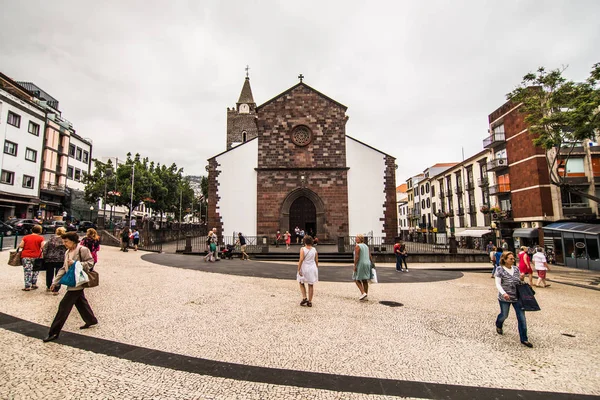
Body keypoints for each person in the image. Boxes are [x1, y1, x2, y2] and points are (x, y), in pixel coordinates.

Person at [44, 232, 98, 342]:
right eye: (64, 241)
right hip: (72, 281)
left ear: (73, 241)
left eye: (66, 241)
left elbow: (90, 263)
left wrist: (75, 263)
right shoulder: (67, 252)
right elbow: (63, 268)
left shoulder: (82, 250)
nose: (64, 244)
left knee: (64, 306)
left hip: (78, 281)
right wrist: (55, 282)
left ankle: (54, 332)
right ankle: (91, 320)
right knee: (80, 302)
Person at [494, 251, 532, 348]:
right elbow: (498, 284)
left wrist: (522, 278)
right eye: (511, 259)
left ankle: (524, 339)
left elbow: (518, 281)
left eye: (513, 258)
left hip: (517, 297)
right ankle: (499, 324)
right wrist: (504, 293)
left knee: (522, 318)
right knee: (504, 315)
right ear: (505, 260)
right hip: (504, 297)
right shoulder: (499, 269)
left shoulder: (516, 269)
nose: (513, 260)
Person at [18, 224, 46, 291]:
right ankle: (34, 284)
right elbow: (43, 247)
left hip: (26, 256)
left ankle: (27, 286)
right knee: (36, 270)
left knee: (27, 271)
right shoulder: (41, 238)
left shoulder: (26, 237)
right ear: (40, 231)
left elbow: (21, 246)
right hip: (36, 256)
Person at [43, 227, 67, 295]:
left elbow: (45, 248)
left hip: (50, 258)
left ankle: (49, 286)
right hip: (61, 259)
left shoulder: (51, 239)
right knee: (59, 274)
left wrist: (45, 256)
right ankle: (56, 289)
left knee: (49, 273)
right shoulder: (65, 240)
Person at [297, 235, 318, 307]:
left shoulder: (303, 249)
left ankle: (304, 297)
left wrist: (298, 269)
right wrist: (316, 268)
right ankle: (310, 301)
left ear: (304, 241)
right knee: (311, 284)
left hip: (305, 267)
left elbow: (301, 259)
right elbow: (316, 260)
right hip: (312, 267)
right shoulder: (314, 250)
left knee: (301, 282)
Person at [353, 234, 373, 300]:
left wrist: (355, 265)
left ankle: (363, 292)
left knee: (356, 278)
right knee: (364, 280)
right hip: (367, 263)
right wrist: (371, 263)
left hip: (361, 263)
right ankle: (366, 294)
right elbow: (370, 256)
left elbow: (357, 257)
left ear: (360, 239)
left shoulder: (357, 246)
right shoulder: (366, 246)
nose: (355, 239)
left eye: (357, 237)